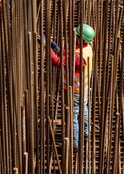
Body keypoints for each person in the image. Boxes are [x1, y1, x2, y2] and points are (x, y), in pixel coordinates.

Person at [38, 24, 95, 152]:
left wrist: (46, 47)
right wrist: (57, 49)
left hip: (75, 91)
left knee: (73, 116)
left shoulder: (78, 58)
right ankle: (86, 131)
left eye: (77, 36)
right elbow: (69, 54)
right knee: (83, 108)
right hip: (82, 89)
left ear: (81, 39)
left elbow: (57, 62)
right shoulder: (87, 48)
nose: (74, 37)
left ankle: (75, 143)